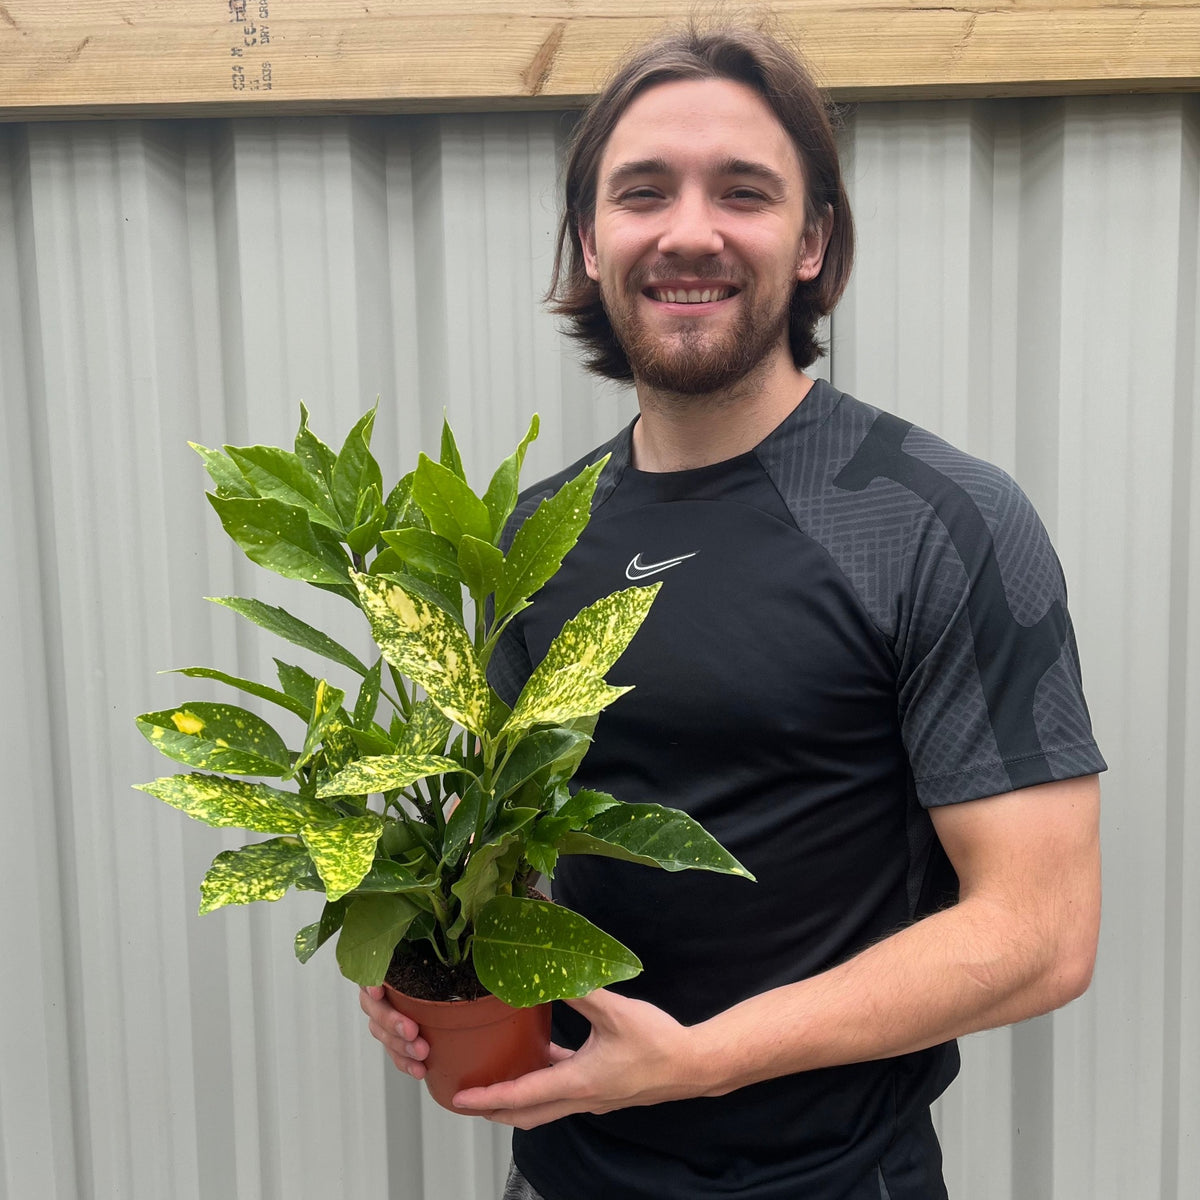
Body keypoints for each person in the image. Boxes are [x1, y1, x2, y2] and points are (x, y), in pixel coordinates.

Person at [360, 23, 1105, 1200]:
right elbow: (512, 858)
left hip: (828, 1180)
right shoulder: (527, 540)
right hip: (558, 1176)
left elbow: (1042, 933)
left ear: (813, 241)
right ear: (593, 236)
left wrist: (697, 1064)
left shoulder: (930, 519)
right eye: (643, 191)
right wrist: (431, 964)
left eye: (743, 193)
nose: (689, 230)